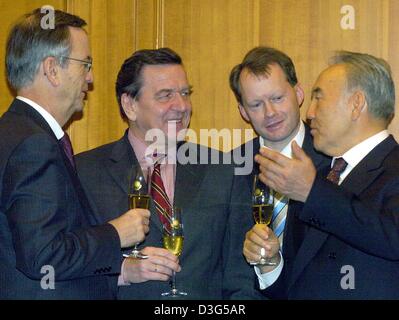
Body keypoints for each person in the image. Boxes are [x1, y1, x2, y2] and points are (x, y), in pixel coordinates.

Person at [75, 47, 262, 299]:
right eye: (165, 96)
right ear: (130, 105)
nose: (182, 106)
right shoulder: (85, 172)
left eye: (185, 93)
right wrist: (120, 271)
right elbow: (67, 263)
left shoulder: (224, 171)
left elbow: (241, 280)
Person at [0, 8, 150, 299]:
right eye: (85, 64)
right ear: (53, 70)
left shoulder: (14, 133)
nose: (91, 78)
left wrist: (120, 272)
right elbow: (43, 256)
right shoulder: (34, 145)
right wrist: (115, 233)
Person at [254, 51, 399, 299]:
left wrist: (312, 193)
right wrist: (270, 263)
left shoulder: (390, 168)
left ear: (356, 104)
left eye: (319, 99)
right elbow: (298, 283)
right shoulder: (319, 177)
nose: (309, 113)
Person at [229, 47, 329, 293]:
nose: (270, 113)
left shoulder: (335, 158)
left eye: (277, 98)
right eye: (256, 104)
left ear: (298, 93)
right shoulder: (229, 170)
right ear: (243, 112)